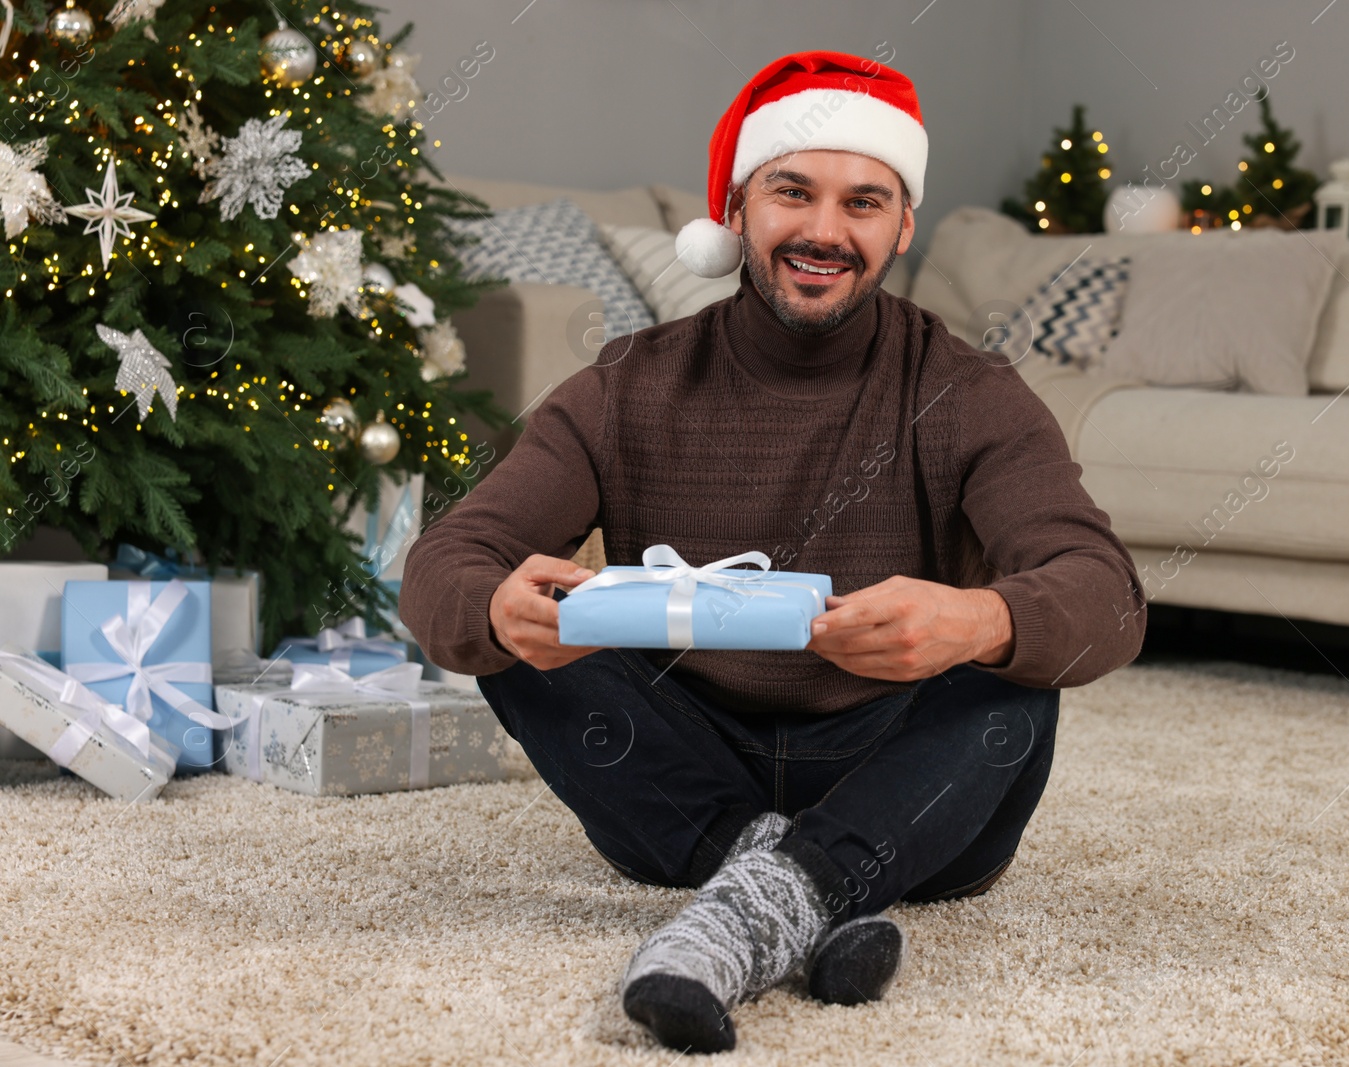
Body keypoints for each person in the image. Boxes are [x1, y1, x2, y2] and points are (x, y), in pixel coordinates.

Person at [399, 49, 1147, 1055]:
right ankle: (807, 886)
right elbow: (445, 560)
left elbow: (1107, 596)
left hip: (893, 762)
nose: (825, 230)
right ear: (740, 209)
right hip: (685, 760)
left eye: (864, 201)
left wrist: (979, 617)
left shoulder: (969, 389)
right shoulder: (626, 384)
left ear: (903, 225)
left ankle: (752, 893)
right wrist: (496, 608)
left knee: (1013, 677)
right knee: (525, 647)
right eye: (792, 191)